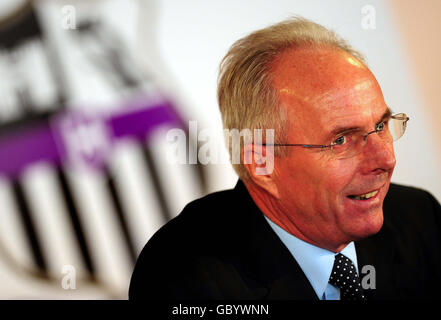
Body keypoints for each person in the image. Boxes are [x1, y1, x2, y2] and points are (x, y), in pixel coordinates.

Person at [129, 17, 441, 300]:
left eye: (381, 126)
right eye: (341, 140)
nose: (385, 159)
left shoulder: (420, 219)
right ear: (263, 165)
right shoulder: (184, 277)